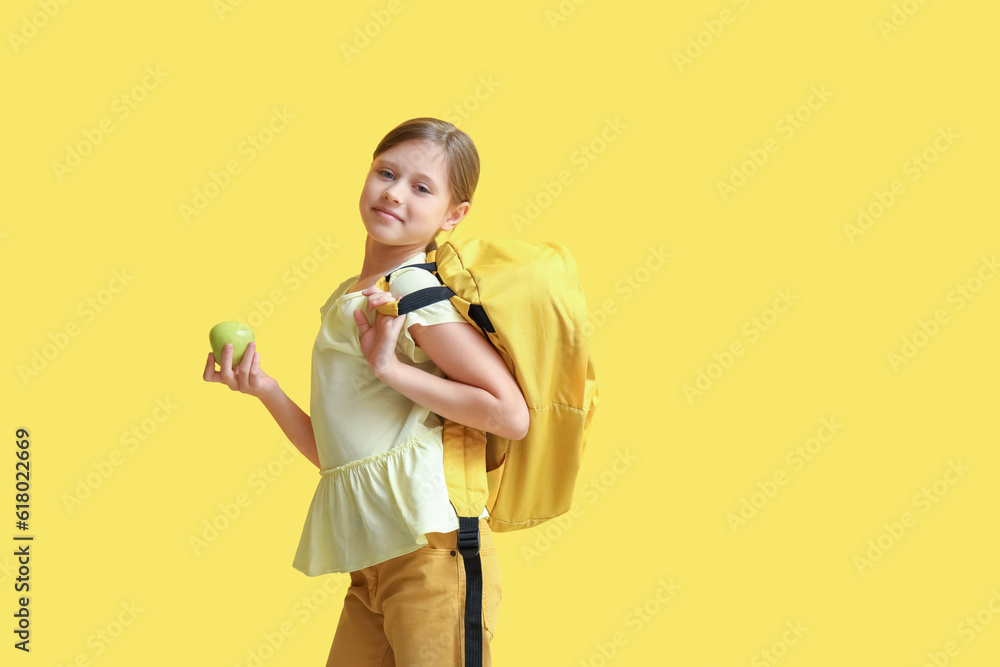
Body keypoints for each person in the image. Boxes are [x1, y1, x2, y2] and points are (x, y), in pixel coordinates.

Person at [203, 117, 528, 666]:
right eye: (386, 172)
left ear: (453, 215)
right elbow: (339, 456)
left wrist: (392, 370)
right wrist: (264, 389)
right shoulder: (353, 295)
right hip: (375, 559)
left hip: (433, 553)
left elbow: (509, 415)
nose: (394, 192)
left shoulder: (412, 291)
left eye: (421, 187)